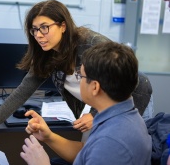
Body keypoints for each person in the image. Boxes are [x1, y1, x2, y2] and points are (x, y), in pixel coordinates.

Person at [0, 0, 152, 142]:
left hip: (133, 97)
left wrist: (94, 114)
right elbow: (21, 93)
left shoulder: (91, 45)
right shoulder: (47, 53)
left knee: (117, 148)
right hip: (99, 109)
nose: (39, 35)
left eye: (44, 28)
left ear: (63, 26)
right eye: (34, 30)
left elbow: (131, 79)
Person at [20, 41, 152, 165]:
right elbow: (86, 153)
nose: (79, 81)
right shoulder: (121, 117)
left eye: (81, 76)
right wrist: (49, 136)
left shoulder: (111, 142)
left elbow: (100, 151)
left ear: (95, 87)